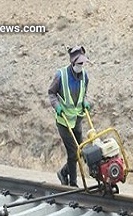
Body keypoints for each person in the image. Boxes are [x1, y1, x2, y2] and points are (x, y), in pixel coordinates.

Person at [48, 45, 91, 187]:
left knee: (80, 151)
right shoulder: (60, 75)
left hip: (77, 120)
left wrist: (85, 102)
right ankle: (73, 183)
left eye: (83, 63)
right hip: (64, 121)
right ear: (73, 63)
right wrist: (57, 106)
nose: (82, 65)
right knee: (73, 153)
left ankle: (63, 172)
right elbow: (51, 93)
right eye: (79, 63)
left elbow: (83, 93)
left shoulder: (84, 75)